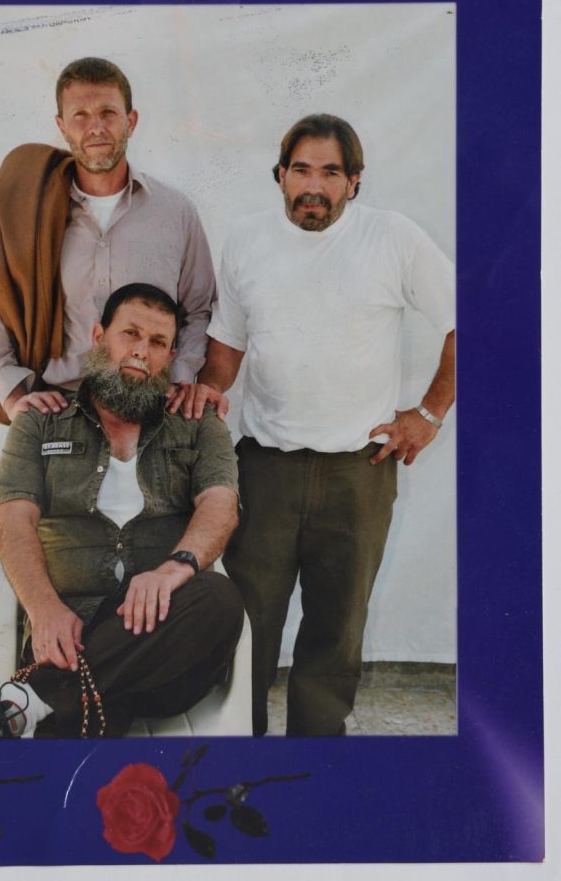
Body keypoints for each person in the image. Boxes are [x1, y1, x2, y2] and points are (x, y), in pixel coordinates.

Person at [180, 113, 455, 737]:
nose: (314, 185)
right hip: (264, 468)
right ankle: (240, 755)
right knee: (246, 626)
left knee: (337, 631)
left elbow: (468, 317)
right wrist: (206, 393)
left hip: (359, 473)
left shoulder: (392, 238)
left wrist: (428, 414)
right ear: (279, 175)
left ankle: (317, 758)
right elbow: (227, 349)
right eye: (301, 169)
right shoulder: (247, 240)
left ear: (354, 181)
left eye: (331, 172)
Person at [0, 283, 243, 739]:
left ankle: (31, 699)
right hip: (67, 632)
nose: (141, 351)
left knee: (217, 597)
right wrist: (44, 608)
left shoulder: (197, 423)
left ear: (171, 355)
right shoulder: (40, 420)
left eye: (157, 342)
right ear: (99, 337)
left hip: (164, 645)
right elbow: (14, 520)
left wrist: (172, 571)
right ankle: (55, 699)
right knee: (88, 725)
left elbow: (221, 505)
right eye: (130, 334)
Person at [0, 56, 216, 424]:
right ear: (61, 126)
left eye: (108, 113)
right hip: (56, 412)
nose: (95, 127)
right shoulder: (29, 213)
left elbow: (199, 309)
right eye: (80, 115)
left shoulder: (175, 213)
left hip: (151, 409)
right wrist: (12, 394)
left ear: (131, 121)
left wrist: (179, 380)